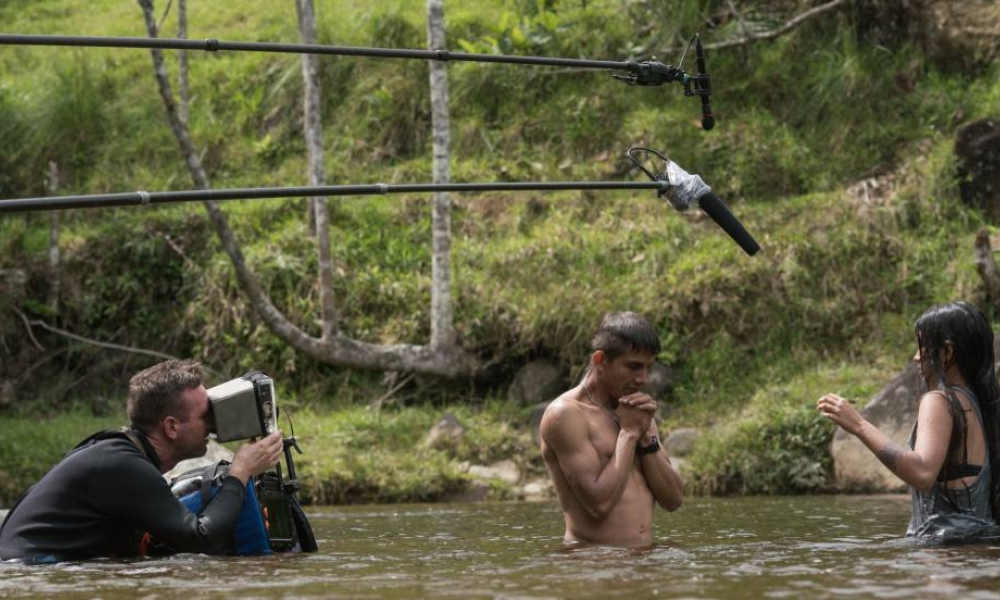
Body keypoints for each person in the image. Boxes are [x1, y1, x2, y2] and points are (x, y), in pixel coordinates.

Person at [0, 359, 284, 561]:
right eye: (205, 415)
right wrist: (241, 471)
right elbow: (203, 539)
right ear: (171, 427)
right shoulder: (123, 466)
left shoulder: (116, 452)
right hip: (33, 567)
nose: (212, 425)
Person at [818, 301, 1000, 539]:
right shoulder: (983, 405)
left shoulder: (940, 401)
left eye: (921, 346)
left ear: (947, 351)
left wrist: (859, 426)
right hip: (980, 553)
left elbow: (922, 473)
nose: (915, 358)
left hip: (947, 557)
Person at [540, 311, 684, 547]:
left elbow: (674, 500)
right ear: (601, 361)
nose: (643, 379)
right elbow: (599, 505)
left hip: (644, 561)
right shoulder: (566, 415)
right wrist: (628, 434)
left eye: (648, 367)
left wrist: (646, 438)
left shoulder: (636, 413)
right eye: (634, 366)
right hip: (593, 565)